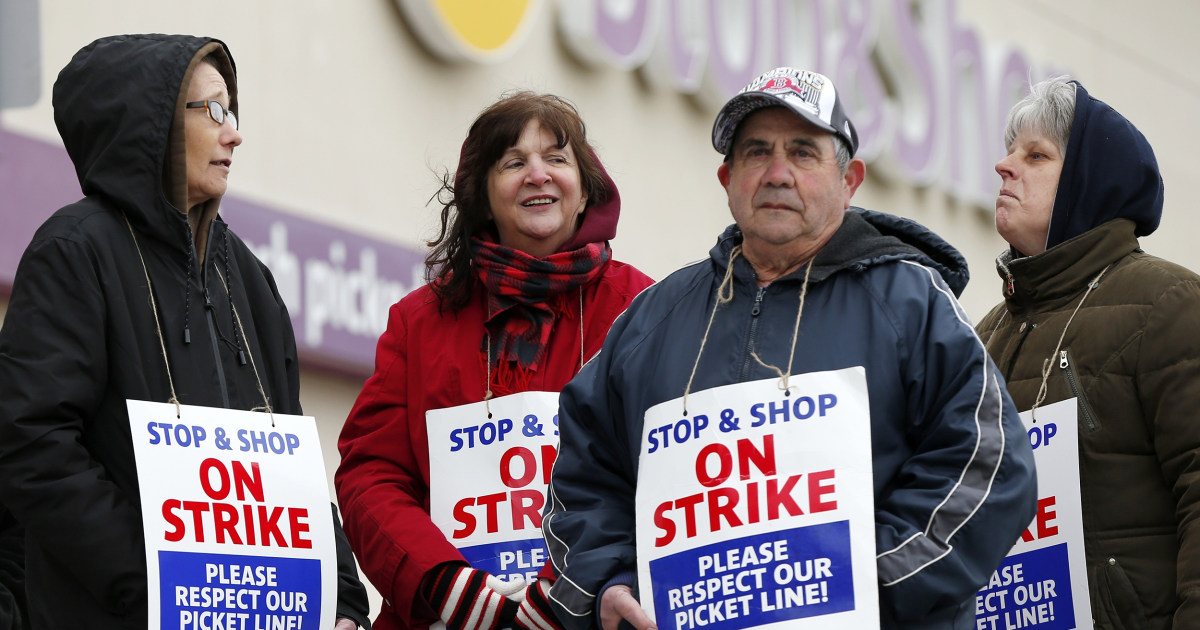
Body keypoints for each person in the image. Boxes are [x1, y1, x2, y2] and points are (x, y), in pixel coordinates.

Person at [542, 67, 1038, 630]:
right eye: (757, 153)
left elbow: (987, 469)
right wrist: (609, 582)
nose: (777, 174)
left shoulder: (911, 303)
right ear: (728, 178)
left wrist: (863, 585)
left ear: (849, 179)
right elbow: (585, 480)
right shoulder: (652, 319)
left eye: (803, 153)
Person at [0, 34, 370, 629]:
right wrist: (155, 583)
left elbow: (288, 465)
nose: (235, 133)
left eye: (235, 111)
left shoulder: (249, 277)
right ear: (155, 125)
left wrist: (342, 599)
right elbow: (32, 443)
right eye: (214, 111)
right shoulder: (74, 251)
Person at [335, 92, 654, 630]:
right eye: (513, 162)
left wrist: (571, 589)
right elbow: (372, 473)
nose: (537, 174)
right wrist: (443, 584)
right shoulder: (418, 322)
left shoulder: (641, 310)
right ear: (482, 197)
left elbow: (658, 474)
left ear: (585, 194)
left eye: (557, 158)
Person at [977, 76, 1200, 629]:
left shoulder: (1168, 304)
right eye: (1009, 151)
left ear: (1087, 183)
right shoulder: (982, 337)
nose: (1005, 166)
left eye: (1036, 155)